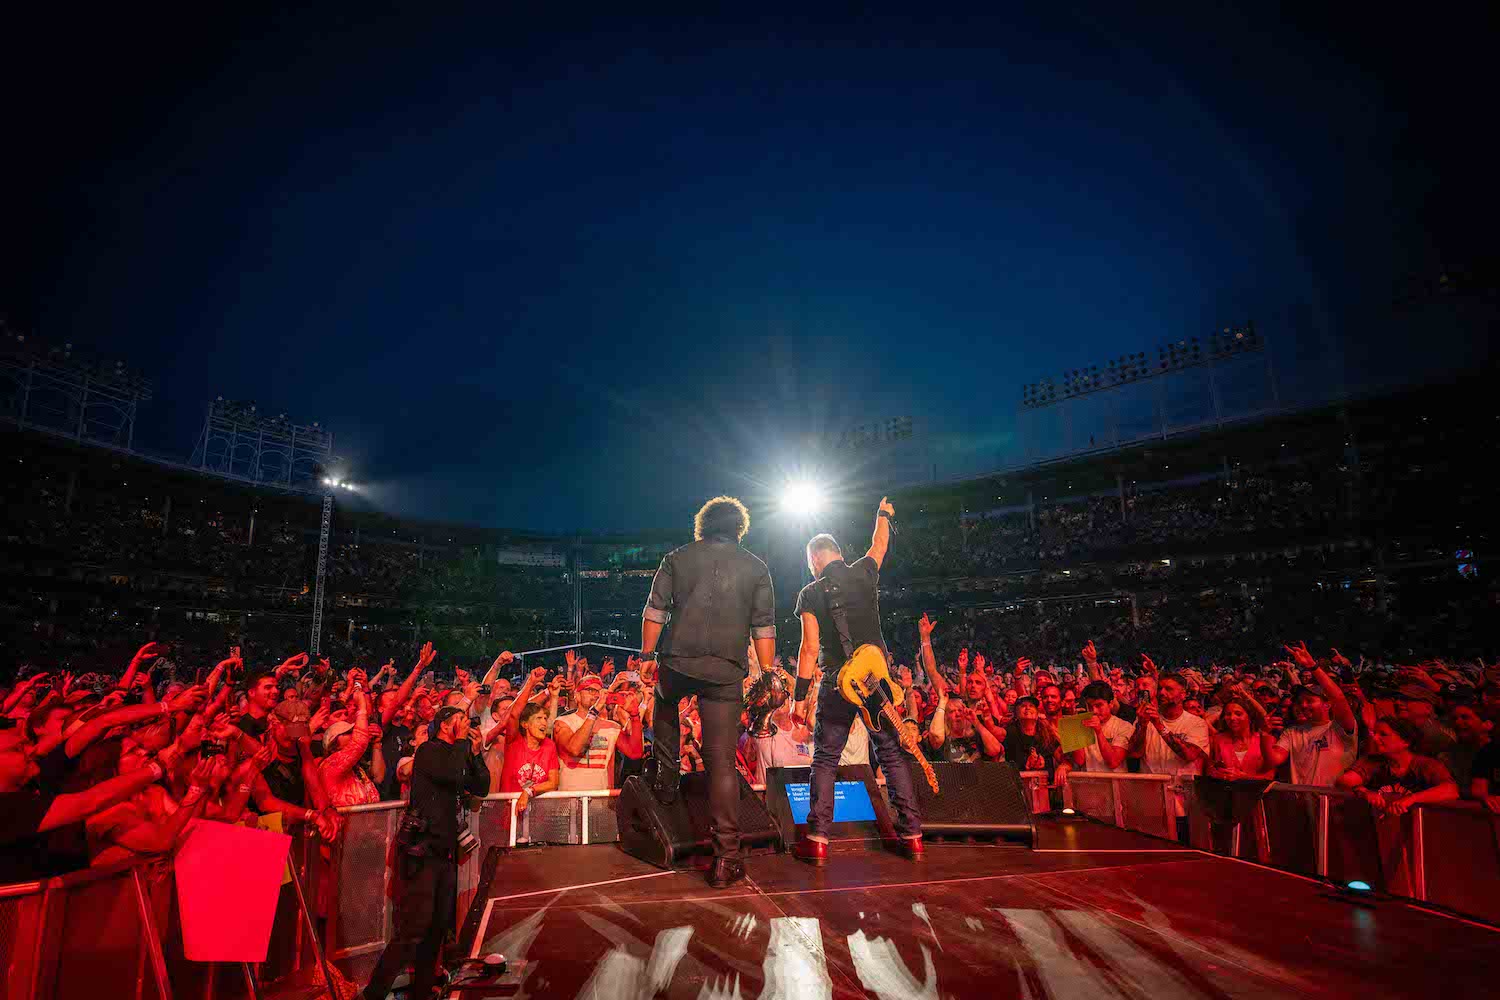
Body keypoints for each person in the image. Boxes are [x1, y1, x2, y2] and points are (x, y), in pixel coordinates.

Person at [640, 496, 777, 889]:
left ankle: (667, 780)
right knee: (721, 764)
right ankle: (726, 859)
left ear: (702, 525)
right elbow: (764, 628)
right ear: (740, 528)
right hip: (726, 672)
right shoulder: (757, 568)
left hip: (679, 662)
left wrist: (648, 655)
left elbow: (654, 611)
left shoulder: (676, 558)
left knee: (664, 700)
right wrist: (767, 673)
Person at [790, 496, 924, 865]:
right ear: (837, 553)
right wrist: (882, 513)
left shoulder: (810, 592)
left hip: (838, 682)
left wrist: (798, 699)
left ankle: (817, 838)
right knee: (891, 755)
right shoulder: (864, 571)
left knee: (826, 758)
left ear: (815, 558)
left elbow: (809, 648)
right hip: (875, 679)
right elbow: (879, 544)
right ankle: (912, 835)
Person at [362, 706, 490, 1000]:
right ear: (445, 725)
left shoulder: (459, 753)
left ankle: (421, 994)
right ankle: (374, 994)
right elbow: (453, 775)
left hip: (444, 855)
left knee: (435, 931)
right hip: (422, 852)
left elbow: (481, 786)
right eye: (459, 720)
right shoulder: (429, 751)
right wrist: (461, 745)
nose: (465, 725)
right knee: (412, 931)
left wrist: (477, 752)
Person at [1127, 670, 1211, 842]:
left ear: (1183, 694)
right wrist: (1142, 725)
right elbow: (1135, 752)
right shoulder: (1145, 718)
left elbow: (1188, 754)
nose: (1162, 693)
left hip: (1183, 801)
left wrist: (1159, 725)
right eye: (1160, 689)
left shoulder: (1196, 723)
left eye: (1169, 689)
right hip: (1152, 800)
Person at [1267, 647, 1360, 786]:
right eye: (1300, 701)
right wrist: (1264, 733)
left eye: (1309, 701)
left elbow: (1339, 697)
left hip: (1335, 804)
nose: (1303, 705)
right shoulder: (1292, 732)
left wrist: (1312, 666)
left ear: (1327, 704)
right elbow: (1274, 759)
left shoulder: (1340, 728)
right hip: (1301, 804)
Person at [1337, 718, 1458, 817]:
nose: (1375, 738)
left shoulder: (1427, 765)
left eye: (1383, 734)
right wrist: (1364, 791)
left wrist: (1411, 799)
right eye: (1375, 733)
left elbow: (1451, 790)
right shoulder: (1372, 761)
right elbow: (1344, 781)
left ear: (1405, 742)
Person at [553, 675, 622, 791]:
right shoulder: (562, 722)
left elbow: (612, 765)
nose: (596, 695)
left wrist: (634, 714)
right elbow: (575, 749)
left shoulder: (612, 727)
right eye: (590, 690)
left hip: (599, 798)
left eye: (599, 691)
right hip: (569, 798)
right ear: (577, 696)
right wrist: (594, 712)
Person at [1206, 697, 1276, 781]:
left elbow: (1270, 776)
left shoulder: (1265, 740)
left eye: (1238, 714)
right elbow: (1209, 771)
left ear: (1250, 717)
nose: (1232, 718)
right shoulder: (1217, 740)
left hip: (1257, 792)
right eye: (1228, 714)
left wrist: (1244, 777)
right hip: (1224, 791)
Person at [1071, 681, 1131, 773]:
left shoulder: (1123, 726)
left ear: (1110, 704)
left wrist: (1098, 731)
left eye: (1099, 705)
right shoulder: (1082, 724)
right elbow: (1079, 761)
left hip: (1114, 785)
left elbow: (1113, 762)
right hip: (1088, 784)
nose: (1094, 711)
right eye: (1090, 706)